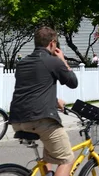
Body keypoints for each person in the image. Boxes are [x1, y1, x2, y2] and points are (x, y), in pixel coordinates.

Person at [9, 27, 78, 176]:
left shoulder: (22, 63)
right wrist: (63, 61)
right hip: (40, 119)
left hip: (17, 120)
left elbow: (32, 90)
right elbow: (73, 82)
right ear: (52, 43)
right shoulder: (53, 61)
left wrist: (52, 100)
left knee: (50, 156)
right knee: (66, 159)